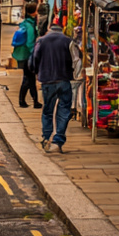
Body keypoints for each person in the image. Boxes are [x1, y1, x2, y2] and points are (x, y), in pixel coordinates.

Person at [29, 19, 80, 153]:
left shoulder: (41, 41)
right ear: (61, 28)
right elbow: (77, 60)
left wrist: (36, 71)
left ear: (49, 29)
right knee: (64, 110)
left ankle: (46, 137)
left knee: (47, 110)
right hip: (64, 79)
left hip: (47, 81)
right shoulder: (68, 41)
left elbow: (34, 59)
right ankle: (58, 140)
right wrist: (75, 75)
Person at [12, 4, 43, 109]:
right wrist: (34, 54)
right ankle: (24, 100)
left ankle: (31, 101)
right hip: (28, 55)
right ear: (33, 12)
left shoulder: (26, 23)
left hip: (24, 55)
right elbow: (30, 42)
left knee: (29, 78)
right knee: (28, 78)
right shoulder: (29, 25)